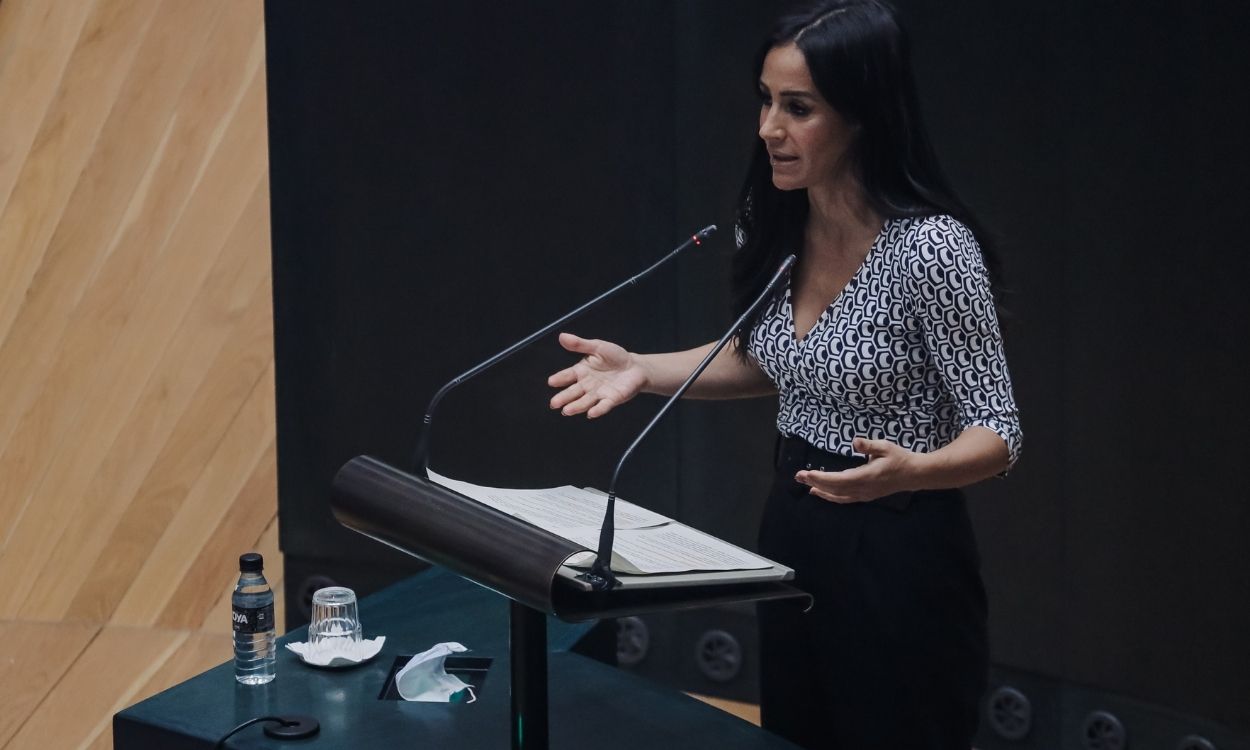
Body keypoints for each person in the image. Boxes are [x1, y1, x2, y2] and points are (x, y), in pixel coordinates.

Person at [547, 1, 1022, 747]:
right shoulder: (771, 218)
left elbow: (998, 431)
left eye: (798, 108)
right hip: (793, 526)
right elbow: (773, 361)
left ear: (862, 113)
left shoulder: (931, 249)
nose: (769, 128)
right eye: (765, 101)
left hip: (900, 544)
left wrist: (913, 472)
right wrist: (641, 368)